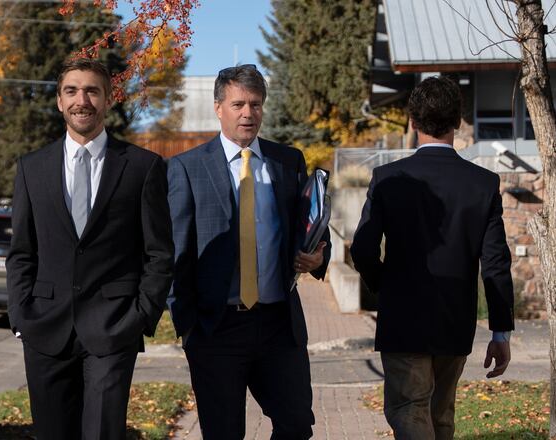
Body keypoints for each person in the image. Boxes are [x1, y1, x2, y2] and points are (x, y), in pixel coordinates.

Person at [6, 58, 174, 440]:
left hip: (114, 327)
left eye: (92, 91)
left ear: (108, 99)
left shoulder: (142, 167)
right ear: (59, 102)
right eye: (72, 91)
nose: (82, 100)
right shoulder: (32, 168)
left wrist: (141, 317)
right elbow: (21, 252)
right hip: (44, 328)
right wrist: (20, 316)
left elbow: (159, 254)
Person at [166, 64, 330, 440]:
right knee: (223, 433)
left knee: (296, 426)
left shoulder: (288, 161)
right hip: (215, 328)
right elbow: (176, 251)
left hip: (278, 326)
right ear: (218, 107)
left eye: (255, 105)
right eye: (238, 104)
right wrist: (187, 325)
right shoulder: (186, 168)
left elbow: (313, 225)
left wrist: (319, 257)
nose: (248, 113)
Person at [350, 76, 514, 439]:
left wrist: (385, 286)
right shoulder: (483, 184)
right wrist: (500, 331)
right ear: (458, 122)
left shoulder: (387, 178)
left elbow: (362, 249)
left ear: (411, 121)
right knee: (441, 416)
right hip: (454, 319)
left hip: (402, 319)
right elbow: (496, 264)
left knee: (410, 412)